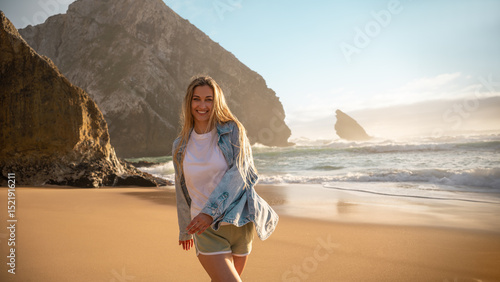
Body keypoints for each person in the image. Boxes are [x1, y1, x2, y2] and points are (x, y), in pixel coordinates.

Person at [172, 76, 279, 281]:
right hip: (205, 227)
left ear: (217, 101)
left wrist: (211, 212)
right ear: (189, 102)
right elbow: (181, 188)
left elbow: (241, 172)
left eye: (209, 99)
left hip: (239, 223)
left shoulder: (233, 131)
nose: (202, 105)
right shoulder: (180, 145)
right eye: (197, 99)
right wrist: (186, 227)